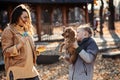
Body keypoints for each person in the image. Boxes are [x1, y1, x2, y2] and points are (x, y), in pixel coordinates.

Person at [1, 4, 40, 80]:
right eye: (25, 17)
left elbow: (27, 49)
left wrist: (35, 50)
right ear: (17, 17)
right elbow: (6, 52)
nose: (27, 20)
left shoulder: (26, 31)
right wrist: (19, 45)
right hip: (18, 72)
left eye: (28, 17)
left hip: (31, 71)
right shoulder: (8, 31)